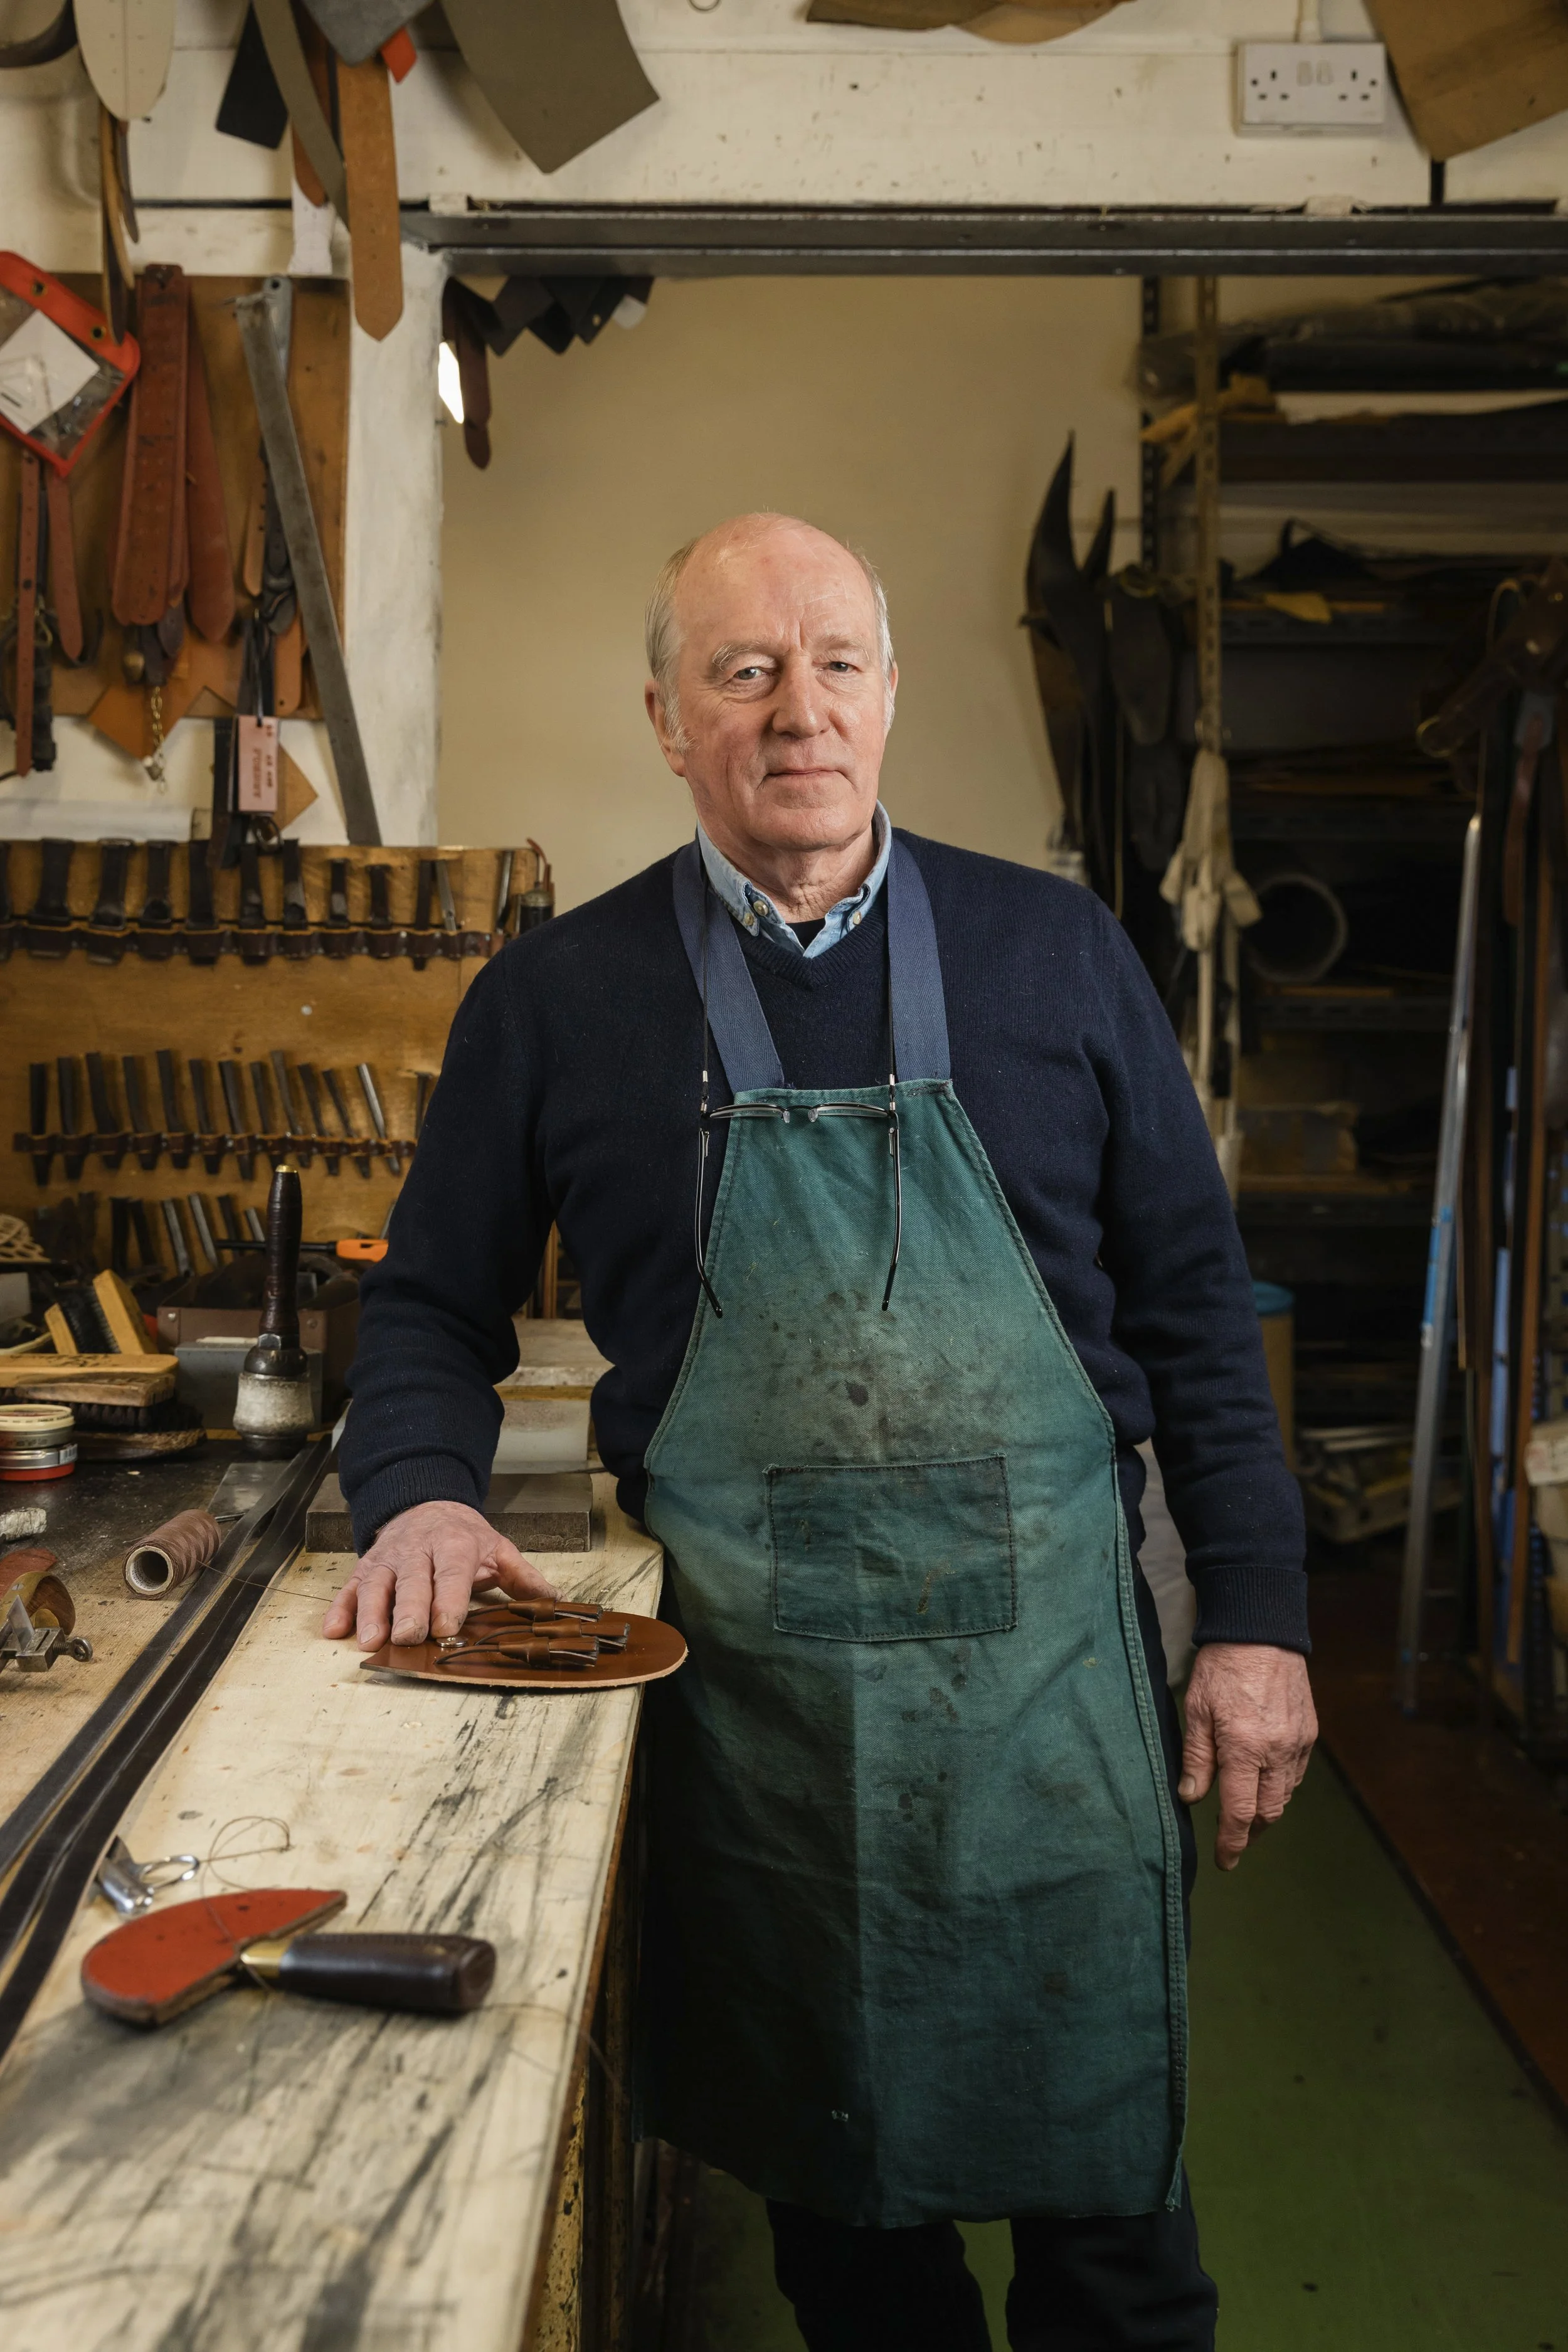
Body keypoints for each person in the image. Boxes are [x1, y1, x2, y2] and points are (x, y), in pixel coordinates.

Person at [331, 512, 1317, 2351]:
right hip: (761, 1714)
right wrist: (421, 1494)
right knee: (850, 2223)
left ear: (888, 694)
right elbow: (431, 1305)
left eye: (834, 664)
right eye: (743, 669)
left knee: (1112, 2217)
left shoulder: (1059, 951)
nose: (799, 711)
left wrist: (1256, 1620)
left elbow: (1194, 1312)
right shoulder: (556, 1000)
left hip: (1052, 1698)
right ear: (663, 712)